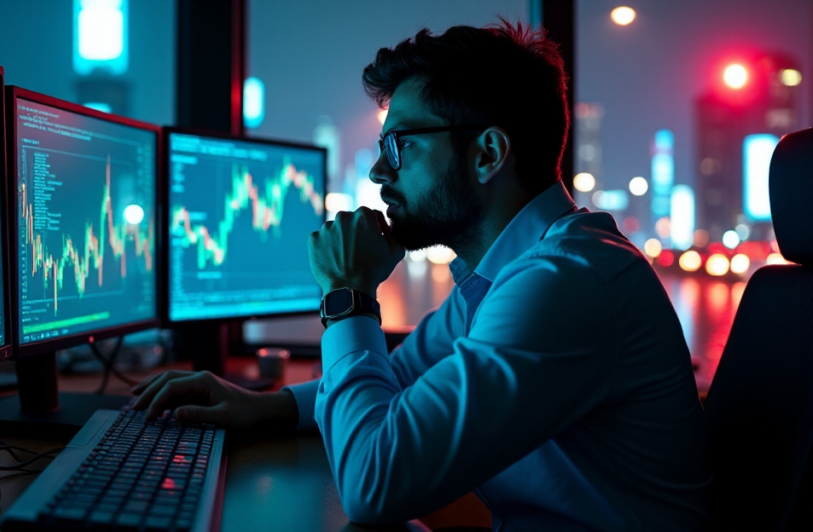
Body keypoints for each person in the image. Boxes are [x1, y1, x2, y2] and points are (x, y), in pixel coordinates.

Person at [133, 21, 710, 531]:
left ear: (487, 154)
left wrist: (348, 296)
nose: (382, 170)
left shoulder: (563, 284)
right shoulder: (507, 275)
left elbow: (374, 483)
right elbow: (405, 376)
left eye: (400, 144)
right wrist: (265, 405)